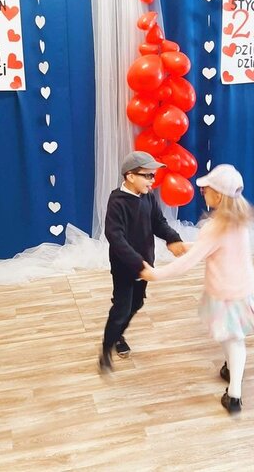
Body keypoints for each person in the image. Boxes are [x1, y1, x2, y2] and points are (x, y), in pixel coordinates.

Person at [140, 164, 254, 414]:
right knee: (231, 336)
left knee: (231, 338)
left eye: (205, 189)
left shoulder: (215, 227)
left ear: (218, 195)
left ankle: (234, 395)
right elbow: (214, 248)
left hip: (225, 293)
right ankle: (231, 370)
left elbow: (189, 262)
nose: (202, 193)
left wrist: (156, 274)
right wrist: (186, 246)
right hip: (243, 289)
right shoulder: (238, 221)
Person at [99, 151, 185, 373]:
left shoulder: (148, 196)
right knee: (121, 308)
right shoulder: (117, 202)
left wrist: (173, 238)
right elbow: (115, 238)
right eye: (147, 176)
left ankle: (118, 334)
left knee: (137, 303)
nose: (152, 181)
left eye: (153, 176)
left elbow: (159, 222)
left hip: (145, 264)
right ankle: (107, 349)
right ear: (130, 176)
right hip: (125, 267)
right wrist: (138, 264)